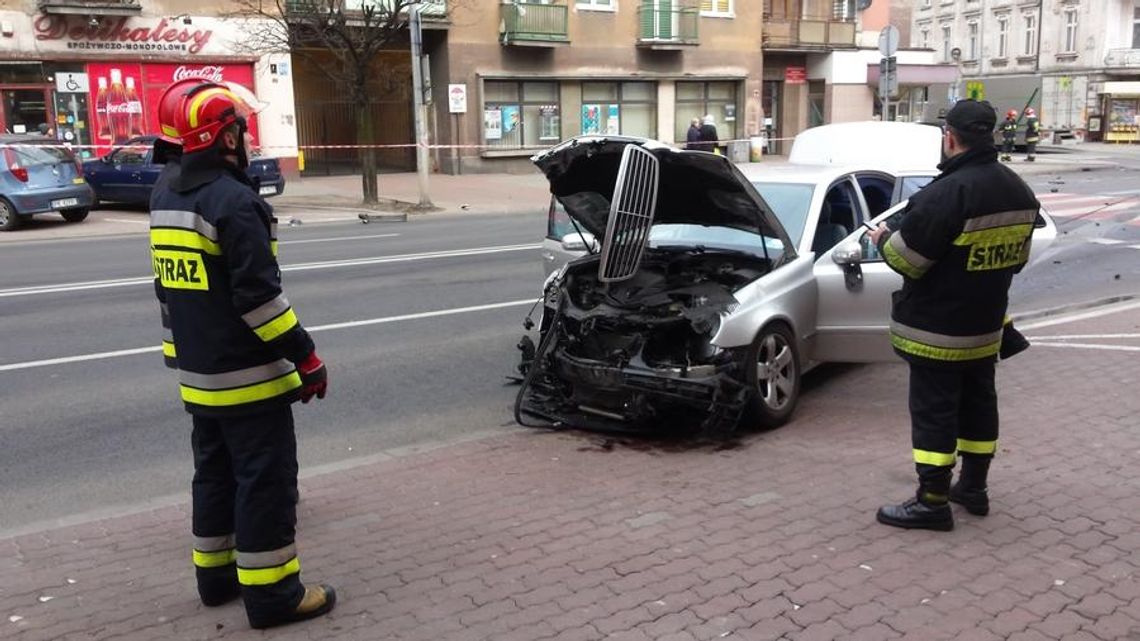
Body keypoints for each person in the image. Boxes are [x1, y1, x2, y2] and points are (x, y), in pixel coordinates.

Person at [149, 80, 336, 628]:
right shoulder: (234, 202)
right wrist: (306, 356)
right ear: (222, 136)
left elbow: (169, 291)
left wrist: (182, 360)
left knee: (214, 476)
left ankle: (215, 580)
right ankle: (275, 596)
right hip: (249, 379)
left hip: (199, 378)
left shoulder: (166, 194)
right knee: (265, 482)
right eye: (240, 128)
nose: (246, 137)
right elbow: (259, 300)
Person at [867, 99, 1040, 532]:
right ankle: (974, 489)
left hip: (936, 331)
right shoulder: (1018, 189)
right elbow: (1015, 261)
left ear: (950, 138)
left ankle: (931, 502)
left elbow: (909, 261)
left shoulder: (947, 193)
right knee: (979, 405)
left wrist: (884, 238)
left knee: (935, 413)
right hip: (984, 328)